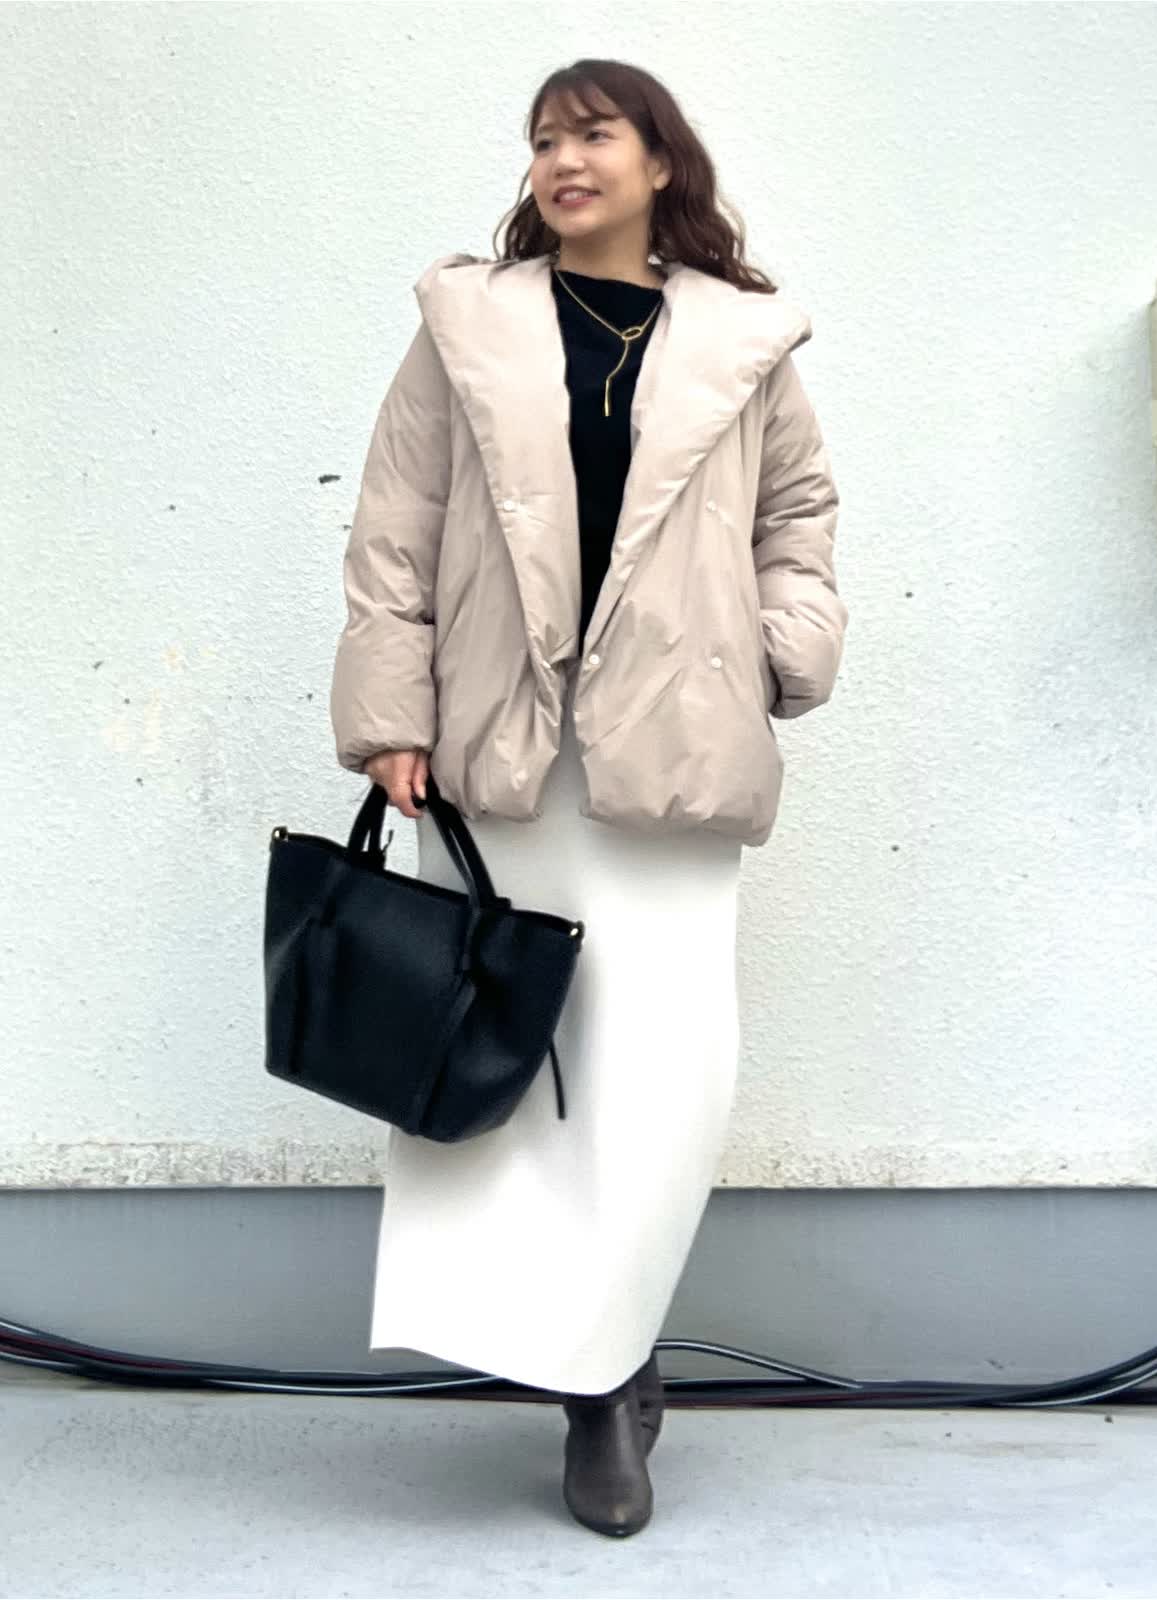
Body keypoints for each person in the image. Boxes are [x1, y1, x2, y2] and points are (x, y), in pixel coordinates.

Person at [329, 58, 848, 1539]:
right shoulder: (468, 326)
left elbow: (799, 517)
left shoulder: (744, 340)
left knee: (667, 1074)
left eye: (594, 133)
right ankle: (594, 1386)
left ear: (659, 161)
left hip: (673, 748)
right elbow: (394, 529)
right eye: (544, 138)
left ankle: (613, 1352)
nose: (564, 158)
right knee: (514, 1064)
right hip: (506, 750)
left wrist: (781, 652)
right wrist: (390, 719)